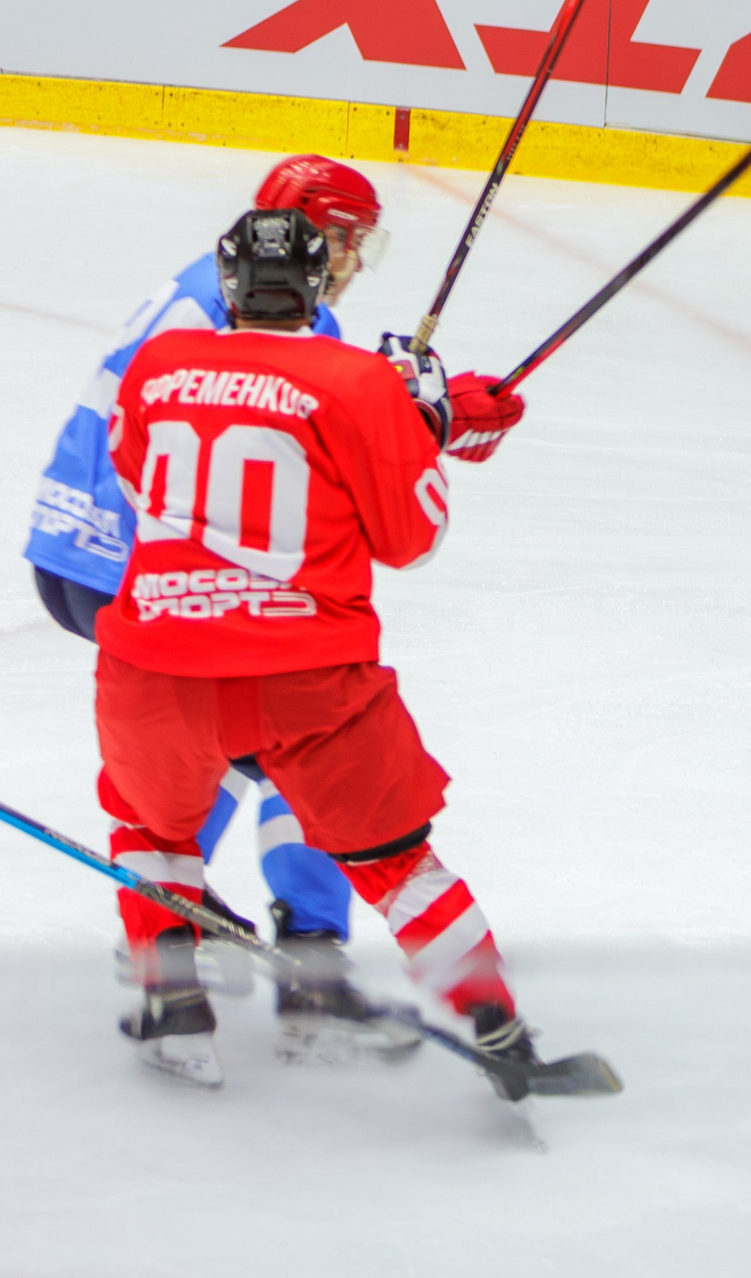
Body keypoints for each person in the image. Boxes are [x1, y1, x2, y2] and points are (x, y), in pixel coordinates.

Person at [94, 204, 584, 1094]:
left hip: (154, 662)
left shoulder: (159, 365)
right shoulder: (358, 382)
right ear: (317, 287)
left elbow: (135, 477)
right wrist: (418, 428)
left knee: (152, 827)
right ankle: (499, 1029)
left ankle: (175, 1009)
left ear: (228, 282)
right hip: (306, 677)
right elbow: (411, 538)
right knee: (398, 861)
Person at [28, 160, 393, 1055]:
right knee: (285, 730)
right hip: (150, 564)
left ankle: (182, 938)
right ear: (315, 231)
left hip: (82, 547)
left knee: (231, 739)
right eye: (350, 239)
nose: (352, 262)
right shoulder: (285, 310)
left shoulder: (212, 281)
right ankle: (282, 947)